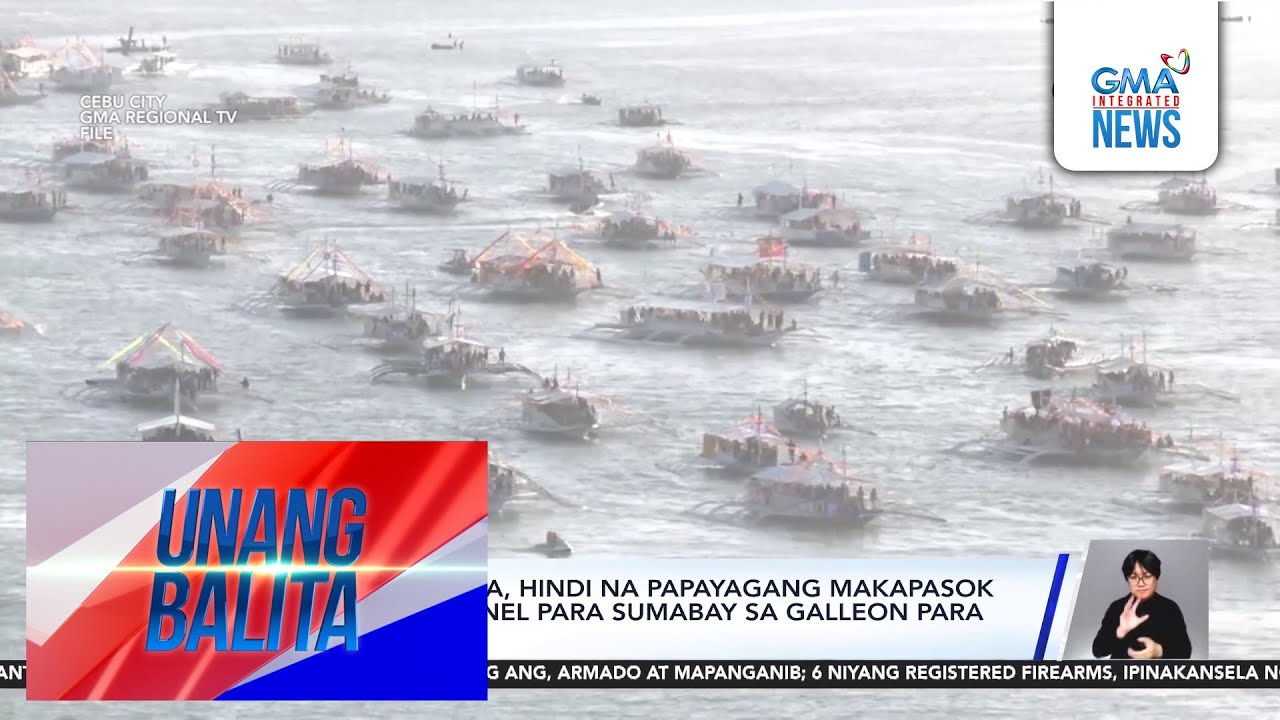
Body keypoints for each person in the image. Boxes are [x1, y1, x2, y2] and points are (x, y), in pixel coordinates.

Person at [1090, 549, 1192, 659]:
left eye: (1147, 576)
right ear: (1127, 580)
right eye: (1133, 577)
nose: (1141, 583)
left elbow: (1185, 651)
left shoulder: (1170, 608)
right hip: (1121, 674)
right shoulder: (1116, 607)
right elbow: (1098, 651)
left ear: (1156, 578)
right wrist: (1120, 631)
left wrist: (1158, 651)